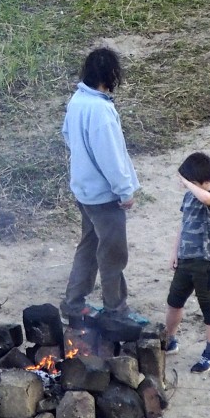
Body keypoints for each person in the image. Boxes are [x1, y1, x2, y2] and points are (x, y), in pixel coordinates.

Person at [59, 46, 143, 323]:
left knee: (88, 246)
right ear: (110, 76)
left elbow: (68, 136)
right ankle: (115, 310)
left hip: (83, 191)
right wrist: (124, 190)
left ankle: (73, 303)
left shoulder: (77, 101)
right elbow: (111, 157)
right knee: (113, 254)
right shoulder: (101, 111)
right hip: (104, 197)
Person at [161, 152, 210, 374]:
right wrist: (174, 252)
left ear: (204, 182)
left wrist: (189, 184)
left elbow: (206, 199)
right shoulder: (188, 198)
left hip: (206, 261)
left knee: (208, 306)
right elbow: (183, 224)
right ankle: (169, 340)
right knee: (174, 302)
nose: (185, 186)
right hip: (186, 259)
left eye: (190, 182)